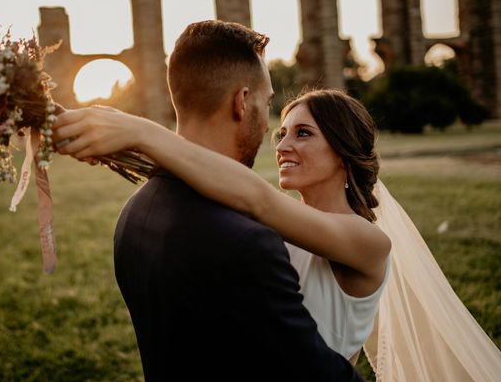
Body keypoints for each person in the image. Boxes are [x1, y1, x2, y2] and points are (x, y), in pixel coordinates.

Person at [54, 20, 364, 381]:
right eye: (267, 104)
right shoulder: (249, 243)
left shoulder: (135, 212)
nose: (270, 132)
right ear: (242, 101)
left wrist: (141, 133)